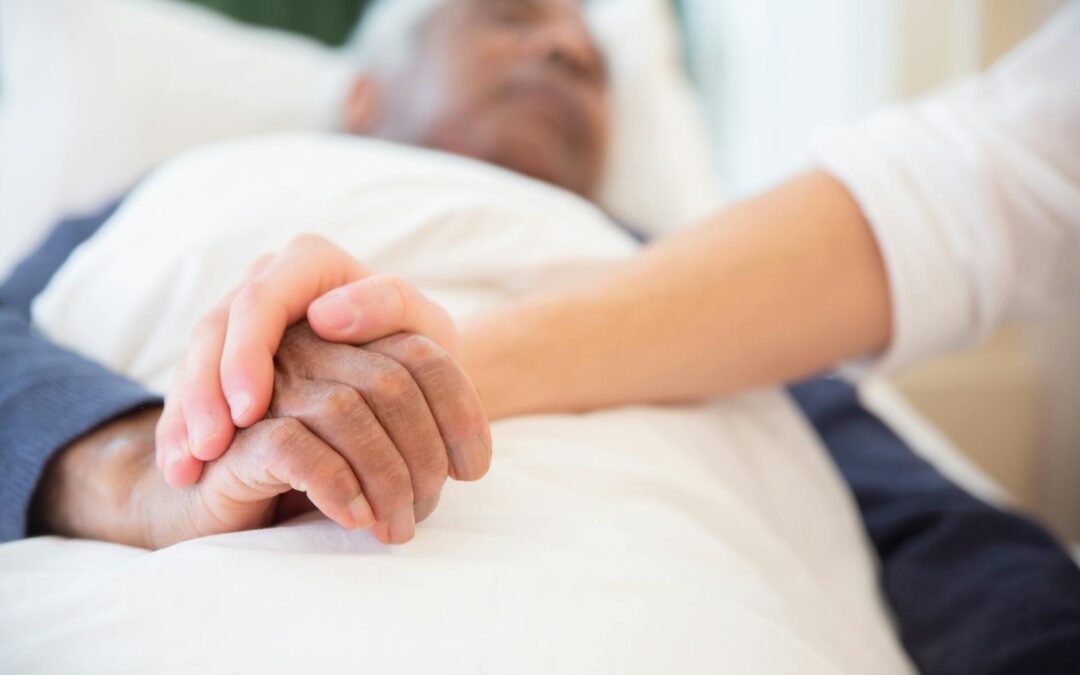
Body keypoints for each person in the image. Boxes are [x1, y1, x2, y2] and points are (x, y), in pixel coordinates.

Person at [1, 0, 1078, 671]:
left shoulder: (694, 280)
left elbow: (934, 534)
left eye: (593, 62)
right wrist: (139, 466)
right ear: (364, 95)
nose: (567, 45)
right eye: (510, 18)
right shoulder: (181, 192)